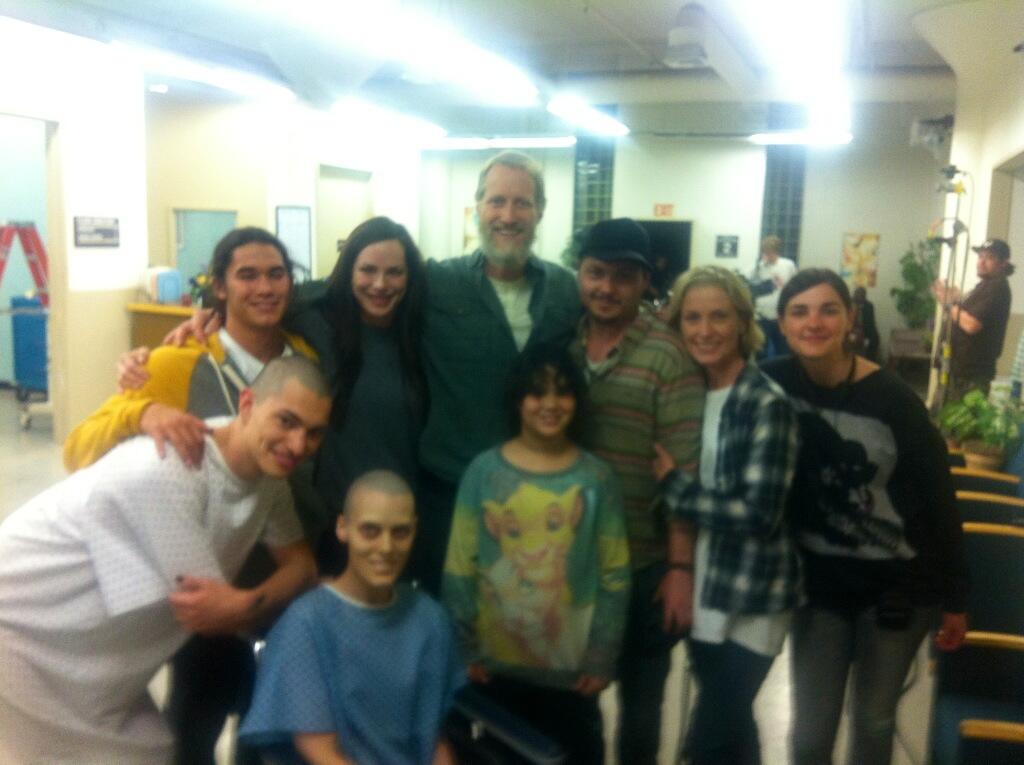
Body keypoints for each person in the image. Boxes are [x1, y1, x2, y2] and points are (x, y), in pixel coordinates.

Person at [137, 152, 581, 594]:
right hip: (358, 515)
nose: (380, 283)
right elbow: (267, 300)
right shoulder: (327, 316)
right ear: (479, 206)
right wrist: (210, 315)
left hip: (475, 497)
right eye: (497, 201)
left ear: (540, 210)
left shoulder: (549, 292)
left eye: (522, 203)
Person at [62, 226, 320, 765]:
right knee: (193, 726)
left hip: (279, 576)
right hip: (198, 585)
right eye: (247, 275)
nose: (265, 287)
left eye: (276, 274)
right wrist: (142, 411)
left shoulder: (305, 357)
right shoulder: (177, 359)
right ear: (219, 287)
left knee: (266, 727)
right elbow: (78, 449)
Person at [0, 356, 328, 764]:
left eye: (314, 433)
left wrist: (246, 602)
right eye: (286, 421)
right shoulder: (172, 466)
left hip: (89, 653)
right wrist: (249, 605)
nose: (298, 445)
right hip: (23, 630)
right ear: (247, 404)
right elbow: (208, 613)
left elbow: (302, 566)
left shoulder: (267, 481)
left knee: (151, 749)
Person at [761, 269, 968, 765]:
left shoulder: (895, 401)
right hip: (820, 588)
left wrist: (957, 598)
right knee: (810, 733)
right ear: (782, 324)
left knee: (873, 721)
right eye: (799, 312)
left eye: (828, 310)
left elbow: (940, 500)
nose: (814, 323)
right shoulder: (770, 383)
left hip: (898, 587)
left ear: (851, 318)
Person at [442, 345, 630, 763]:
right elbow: (459, 567)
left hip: (572, 678)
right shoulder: (483, 473)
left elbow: (615, 575)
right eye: (536, 391)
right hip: (493, 672)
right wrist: (463, 648)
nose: (550, 403)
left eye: (562, 391)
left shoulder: (597, 480)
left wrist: (602, 657)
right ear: (517, 399)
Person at [567, 217, 704, 764]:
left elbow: (683, 473)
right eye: (595, 273)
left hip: (644, 563)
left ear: (646, 281)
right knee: (575, 703)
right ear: (579, 273)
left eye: (623, 277)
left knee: (641, 713)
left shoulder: (669, 355)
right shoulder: (564, 343)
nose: (606, 288)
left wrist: (680, 568)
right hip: (571, 563)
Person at [654, 265, 800, 765]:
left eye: (718, 316)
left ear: (742, 321)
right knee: (734, 736)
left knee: (707, 740)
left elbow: (759, 514)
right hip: (705, 590)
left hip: (753, 598)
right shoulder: (688, 393)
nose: (704, 330)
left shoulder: (766, 404)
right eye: (692, 318)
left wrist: (675, 488)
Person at [240, 470, 464, 765]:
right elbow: (320, 751)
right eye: (370, 531)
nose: (386, 547)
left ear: (414, 530)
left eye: (400, 532)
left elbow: (432, 737)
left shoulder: (429, 619)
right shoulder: (306, 624)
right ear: (343, 528)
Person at [284, 216, 428, 574]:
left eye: (394, 272)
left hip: (404, 521)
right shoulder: (318, 322)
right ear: (348, 271)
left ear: (410, 276)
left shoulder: (423, 333)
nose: (380, 284)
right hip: (338, 524)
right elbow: (260, 304)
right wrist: (206, 318)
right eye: (367, 270)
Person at [933, 237, 1013, 398]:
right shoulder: (985, 285)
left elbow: (972, 325)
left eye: (989, 258)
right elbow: (966, 315)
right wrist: (956, 300)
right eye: (980, 256)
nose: (981, 262)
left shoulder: (997, 287)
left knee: (957, 416)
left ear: (1003, 263)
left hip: (970, 378)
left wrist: (949, 304)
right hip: (957, 372)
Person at [750, 234, 797, 359]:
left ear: (776, 251)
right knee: (760, 350)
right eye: (765, 251)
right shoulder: (758, 267)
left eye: (770, 251)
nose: (768, 254)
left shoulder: (788, 265)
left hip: (781, 314)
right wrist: (760, 267)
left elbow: (794, 286)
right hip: (761, 315)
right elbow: (751, 287)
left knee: (784, 349)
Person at [850, 286, 880, 362]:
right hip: (851, 331)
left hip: (865, 331)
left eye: (862, 295)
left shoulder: (869, 306)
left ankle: (870, 363)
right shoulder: (849, 305)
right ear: (854, 295)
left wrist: (866, 339)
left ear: (864, 296)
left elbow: (870, 324)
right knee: (850, 340)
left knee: (874, 338)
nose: (859, 296)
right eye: (857, 294)